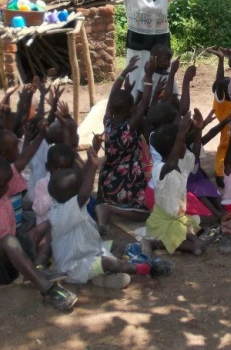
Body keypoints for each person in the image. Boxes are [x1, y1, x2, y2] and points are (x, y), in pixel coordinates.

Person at [0, 111, 76, 310]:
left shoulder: (0, 187)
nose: (7, 189)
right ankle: (47, 289)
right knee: (9, 239)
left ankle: (35, 269)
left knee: (48, 223)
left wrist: (41, 134)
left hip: (11, 266)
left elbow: (22, 160)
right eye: (1, 186)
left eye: (7, 184)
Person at [48, 144, 174, 289]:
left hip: (90, 251)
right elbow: (83, 194)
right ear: (74, 194)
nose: (83, 187)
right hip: (74, 267)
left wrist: (98, 231)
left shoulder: (60, 200)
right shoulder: (65, 211)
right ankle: (146, 268)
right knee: (108, 262)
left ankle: (106, 274)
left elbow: (80, 192)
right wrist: (94, 166)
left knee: (118, 245)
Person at [95, 57, 157, 231]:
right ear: (131, 109)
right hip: (129, 179)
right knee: (148, 211)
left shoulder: (107, 122)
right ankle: (111, 210)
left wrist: (125, 71)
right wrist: (148, 75)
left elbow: (112, 95)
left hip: (108, 180)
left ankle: (107, 205)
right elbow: (144, 102)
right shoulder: (130, 126)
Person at [145, 114, 206, 255]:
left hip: (178, 217)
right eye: (182, 143)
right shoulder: (159, 168)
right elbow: (171, 165)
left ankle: (182, 236)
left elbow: (195, 156)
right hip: (163, 222)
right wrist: (180, 134)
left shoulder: (181, 161)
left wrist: (198, 130)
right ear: (175, 147)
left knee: (199, 221)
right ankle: (157, 242)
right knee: (197, 247)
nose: (185, 146)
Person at [205, 47, 231, 188]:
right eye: (227, 84)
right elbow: (220, 82)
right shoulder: (221, 105)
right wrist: (221, 60)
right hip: (227, 145)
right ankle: (219, 175)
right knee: (224, 155)